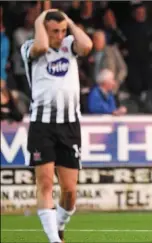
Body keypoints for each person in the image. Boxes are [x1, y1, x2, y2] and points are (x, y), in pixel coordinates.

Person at [20, 9, 92, 243]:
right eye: (55, 31)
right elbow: (41, 46)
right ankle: (54, 240)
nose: (60, 35)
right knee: (46, 183)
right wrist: (41, 19)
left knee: (70, 191)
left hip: (70, 125)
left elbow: (87, 46)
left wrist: (69, 21)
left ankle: (59, 225)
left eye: (62, 31)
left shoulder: (69, 45)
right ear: (43, 29)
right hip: (42, 125)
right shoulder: (30, 47)